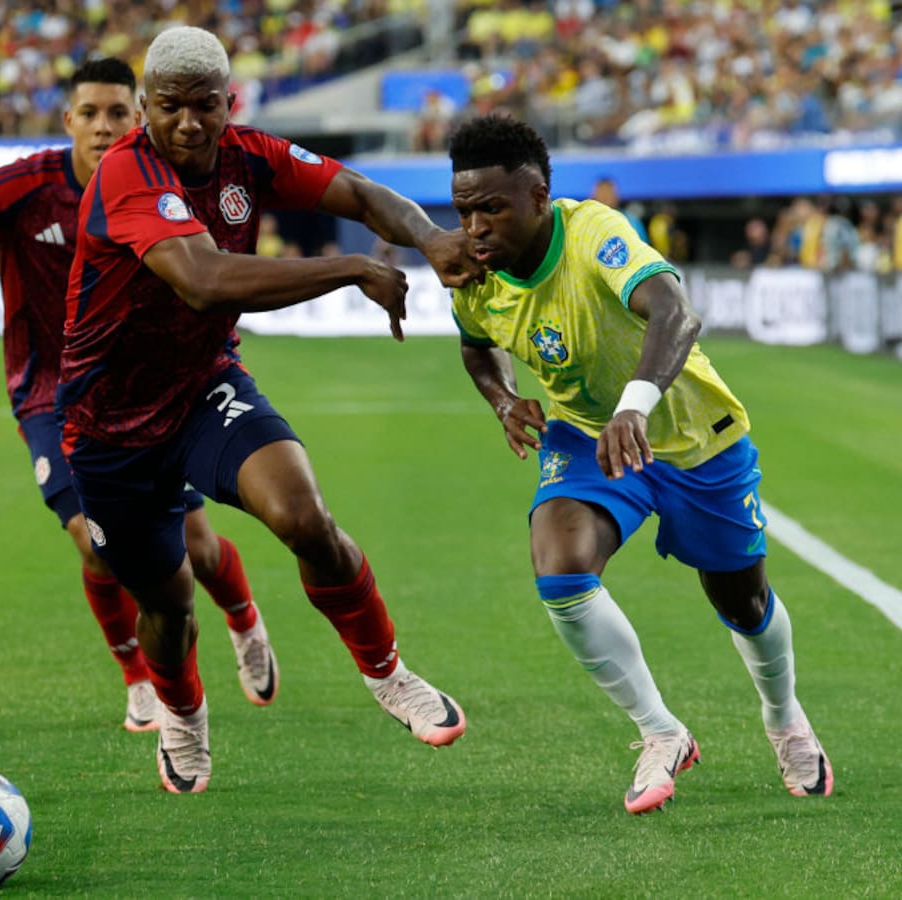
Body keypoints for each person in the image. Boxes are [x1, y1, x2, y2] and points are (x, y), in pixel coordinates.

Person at [60, 26, 475, 794]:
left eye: (206, 107)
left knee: (303, 515)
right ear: (146, 107)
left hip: (201, 388)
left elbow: (355, 191)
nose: (189, 124)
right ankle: (182, 713)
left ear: (231, 102)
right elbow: (204, 280)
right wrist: (352, 265)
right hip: (108, 426)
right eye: (171, 108)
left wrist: (428, 237)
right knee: (169, 602)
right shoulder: (125, 174)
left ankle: (390, 675)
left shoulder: (253, 155)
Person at [0, 57, 278, 733]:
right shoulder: (26, 187)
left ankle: (245, 620)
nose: (104, 127)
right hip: (49, 395)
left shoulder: (161, 181)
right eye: (90, 114)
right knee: (96, 545)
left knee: (197, 543)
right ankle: (138, 677)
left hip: (148, 391)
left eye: (117, 113)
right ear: (68, 121)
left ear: (137, 117)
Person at [446, 114, 832, 814]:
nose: (474, 228)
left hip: (691, 435)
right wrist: (502, 397)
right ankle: (661, 732)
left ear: (538, 198)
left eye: (491, 208)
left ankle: (785, 719)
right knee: (560, 568)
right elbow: (476, 343)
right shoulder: (474, 274)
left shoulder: (595, 233)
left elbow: (676, 312)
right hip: (589, 437)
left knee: (740, 599)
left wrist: (634, 406)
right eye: (464, 210)